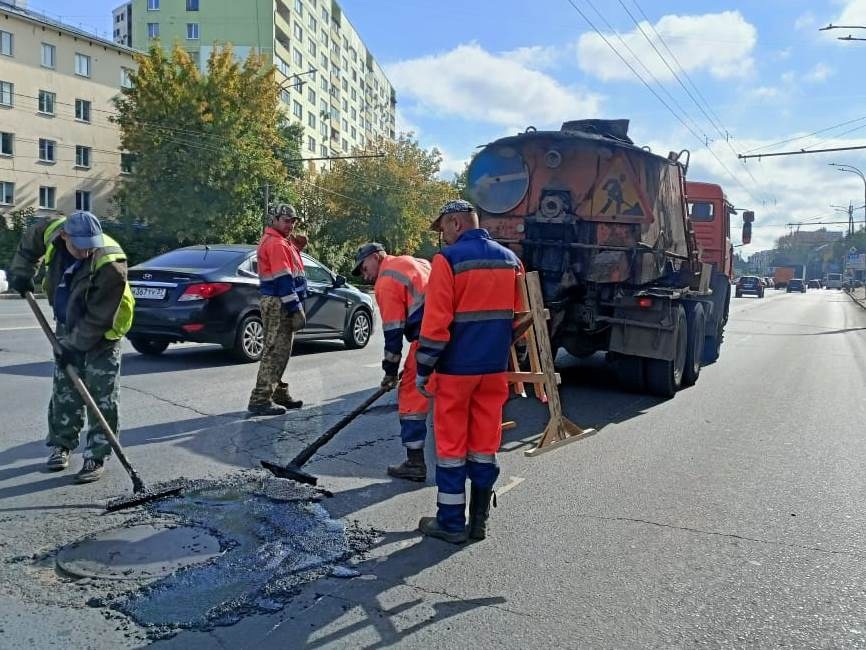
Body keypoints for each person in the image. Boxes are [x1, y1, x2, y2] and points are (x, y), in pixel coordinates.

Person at [415, 199, 523, 544]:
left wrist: (423, 368)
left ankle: (450, 523)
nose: (442, 236)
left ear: (456, 223)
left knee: (450, 448)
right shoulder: (511, 261)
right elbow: (521, 317)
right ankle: (479, 522)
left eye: (442, 228)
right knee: (483, 444)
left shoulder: (448, 261)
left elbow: (436, 323)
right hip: (493, 370)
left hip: (455, 371)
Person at [8, 211, 133, 483]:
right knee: (65, 388)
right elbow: (30, 242)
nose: (87, 251)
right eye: (80, 246)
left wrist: (73, 347)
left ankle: (96, 454)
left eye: (91, 245)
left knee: (101, 394)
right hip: (69, 320)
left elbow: (99, 318)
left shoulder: (111, 264)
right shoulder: (52, 229)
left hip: (104, 329)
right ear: (63, 235)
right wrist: (22, 271)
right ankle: (61, 445)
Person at [352, 242, 432, 481]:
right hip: (452, 335)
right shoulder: (416, 262)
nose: (364, 275)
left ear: (377, 257)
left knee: (410, 395)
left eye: (364, 267)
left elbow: (393, 335)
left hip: (429, 339)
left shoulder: (386, 280)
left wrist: (390, 373)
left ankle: (415, 463)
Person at [247, 203, 308, 416]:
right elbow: (283, 279)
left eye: (293, 221)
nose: (290, 225)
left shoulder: (281, 242)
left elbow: (289, 268)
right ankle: (260, 399)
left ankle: (277, 393)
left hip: (279, 302)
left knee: (282, 351)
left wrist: (297, 248)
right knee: (274, 352)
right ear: (274, 220)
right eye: (286, 221)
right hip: (278, 303)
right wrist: (296, 308)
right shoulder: (276, 243)